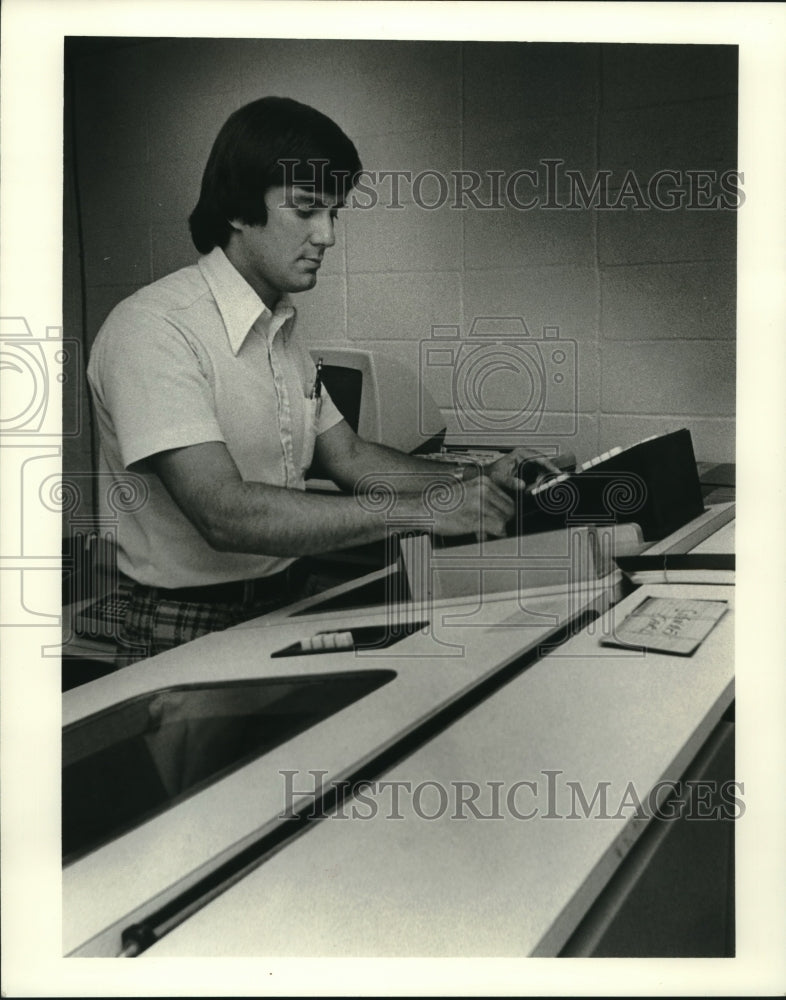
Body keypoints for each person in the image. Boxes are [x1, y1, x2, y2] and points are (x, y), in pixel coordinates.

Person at [87, 96, 559, 661]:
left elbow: (351, 458)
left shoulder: (280, 329)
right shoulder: (155, 328)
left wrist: (478, 477)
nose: (328, 235)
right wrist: (425, 508)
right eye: (307, 209)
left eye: (333, 213)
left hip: (282, 601)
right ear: (238, 209)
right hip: (183, 620)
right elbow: (223, 513)